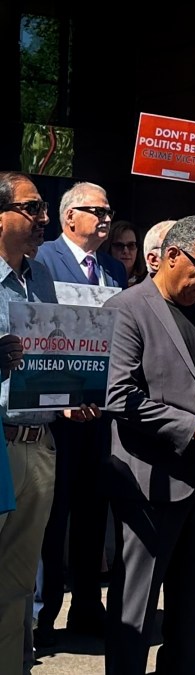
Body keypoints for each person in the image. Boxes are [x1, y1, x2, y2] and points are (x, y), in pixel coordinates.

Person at [103, 215, 195, 675]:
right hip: (149, 483)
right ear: (169, 256)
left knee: (190, 609)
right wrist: (193, 427)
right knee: (135, 610)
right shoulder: (127, 307)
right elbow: (120, 396)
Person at [33, 181, 127, 647]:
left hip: (101, 416)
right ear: (70, 217)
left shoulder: (112, 268)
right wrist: (60, 396)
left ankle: (88, 608)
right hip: (58, 416)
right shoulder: (44, 260)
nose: (106, 217)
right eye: (97, 210)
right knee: (53, 518)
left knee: (94, 515)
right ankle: (43, 613)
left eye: (109, 211)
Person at [0, 172, 58, 673]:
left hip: (38, 444)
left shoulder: (40, 277)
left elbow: (54, 355)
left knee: (19, 581)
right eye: (32, 208)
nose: (44, 218)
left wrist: (75, 394)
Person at [99, 220, 148, 286]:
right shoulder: (100, 278)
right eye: (119, 245)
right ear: (108, 247)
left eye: (131, 245)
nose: (126, 251)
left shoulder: (147, 281)